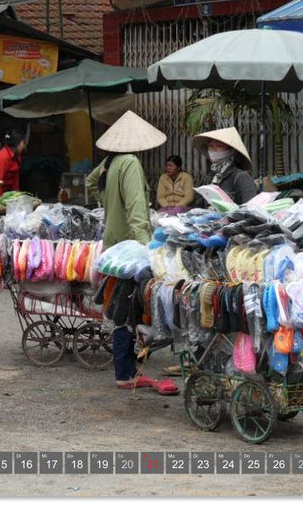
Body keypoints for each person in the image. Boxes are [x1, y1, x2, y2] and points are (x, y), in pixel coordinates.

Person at [85, 111, 178, 396]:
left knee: (119, 310)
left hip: (113, 246)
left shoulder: (110, 162)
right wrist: (149, 251)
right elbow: (138, 213)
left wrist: (110, 205)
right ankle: (125, 373)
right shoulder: (130, 163)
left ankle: (128, 369)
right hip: (130, 250)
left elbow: (90, 184)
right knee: (127, 311)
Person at [193, 127, 258, 205]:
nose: (214, 149)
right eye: (211, 146)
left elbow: (250, 209)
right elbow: (198, 206)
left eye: (219, 146)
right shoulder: (209, 178)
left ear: (231, 150)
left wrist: (230, 217)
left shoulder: (241, 177)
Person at [0, 128, 25, 195]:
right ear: (17, 144)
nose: (23, 146)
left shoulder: (16, 155)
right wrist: (0, 201)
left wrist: (16, 194)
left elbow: (15, 178)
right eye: (23, 142)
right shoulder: (3, 158)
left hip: (7, 191)